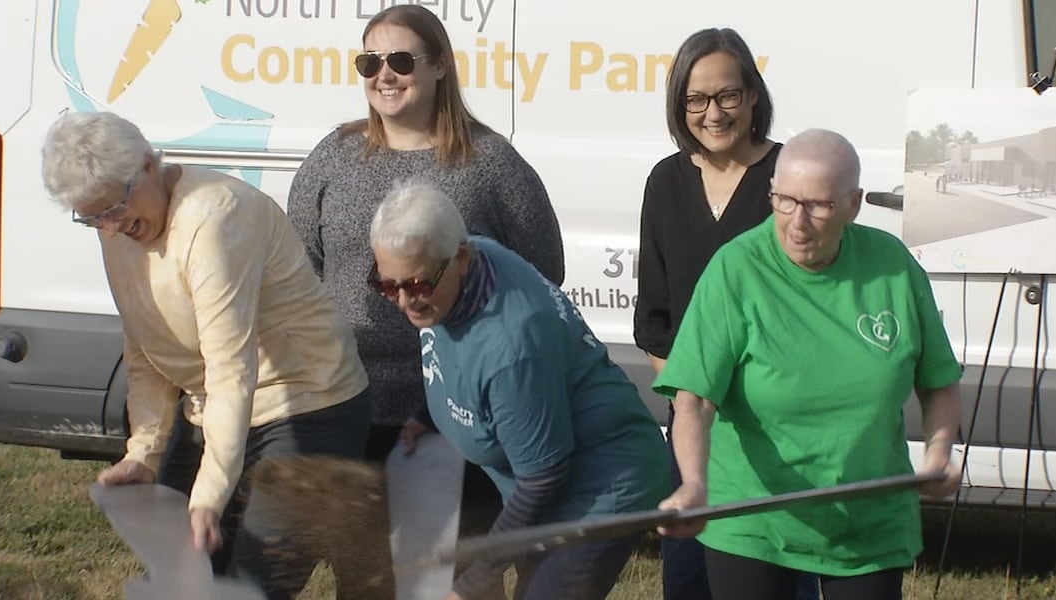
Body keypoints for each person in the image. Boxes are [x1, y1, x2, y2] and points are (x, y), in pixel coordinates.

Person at [40, 111, 374, 599]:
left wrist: (211, 493)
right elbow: (143, 349)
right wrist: (145, 452)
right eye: (92, 218)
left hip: (307, 404)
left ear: (149, 166)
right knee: (181, 577)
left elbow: (231, 369)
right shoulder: (118, 226)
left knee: (253, 584)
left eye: (113, 209)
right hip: (216, 409)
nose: (109, 230)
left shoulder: (213, 218)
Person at [654, 129, 963, 600]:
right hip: (753, 518)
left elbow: (938, 380)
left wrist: (939, 452)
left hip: (869, 520)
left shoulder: (892, 268)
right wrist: (695, 483)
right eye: (784, 201)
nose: (797, 223)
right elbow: (694, 397)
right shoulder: (736, 269)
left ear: (853, 204)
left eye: (818, 206)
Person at [287, 4, 564, 463]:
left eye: (400, 61)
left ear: (439, 65)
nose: (384, 75)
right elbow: (302, 266)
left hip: (456, 405)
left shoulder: (492, 164)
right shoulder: (333, 156)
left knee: (442, 536)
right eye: (369, 63)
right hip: (343, 398)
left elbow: (542, 273)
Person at [370, 181, 669, 600]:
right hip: (542, 472)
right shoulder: (460, 263)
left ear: (460, 259)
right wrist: (427, 414)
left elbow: (544, 478)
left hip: (599, 483)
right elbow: (452, 354)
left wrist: (476, 580)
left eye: (417, 285)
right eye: (387, 285)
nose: (404, 302)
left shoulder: (512, 346)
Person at [632, 27, 819, 600]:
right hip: (693, 426)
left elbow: (815, 303)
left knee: (772, 581)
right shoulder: (666, 181)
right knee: (688, 580)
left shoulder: (789, 177)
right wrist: (693, 400)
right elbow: (655, 316)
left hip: (776, 428)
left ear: (753, 95)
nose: (712, 113)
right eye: (696, 99)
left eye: (727, 96)